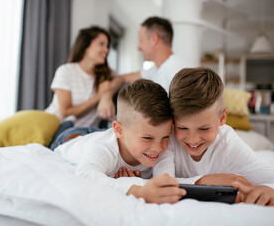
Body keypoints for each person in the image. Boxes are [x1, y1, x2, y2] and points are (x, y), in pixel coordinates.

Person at [167, 67, 274, 206]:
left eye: (204, 128)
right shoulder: (167, 137)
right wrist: (206, 180)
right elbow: (162, 182)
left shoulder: (228, 144)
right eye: (182, 128)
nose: (193, 139)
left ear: (222, 118)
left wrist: (270, 189)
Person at [55, 79, 186, 204]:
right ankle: (67, 122)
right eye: (147, 138)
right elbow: (85, 174)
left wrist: (202, 180)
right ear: (119, 130)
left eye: (166, 137)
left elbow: (167, 181)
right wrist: (138, 191)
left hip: (107, 134)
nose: (158, 148)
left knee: (101, 134)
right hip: (71, 139)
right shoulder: (103, 148)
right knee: (65, 130)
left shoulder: (162, 149)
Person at [97, 16, 194, 121]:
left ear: (154, 39)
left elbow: (186, 116)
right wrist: (106, 96)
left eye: (141, 40)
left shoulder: (177, 69)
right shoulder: (156, 69)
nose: (139, 47)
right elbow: (122, 78)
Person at [45, 26, 116, 128]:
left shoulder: (105, 75)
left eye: (107, 46)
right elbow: (65, 112)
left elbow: (123, 78)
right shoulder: (66, 71)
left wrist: (107, 96)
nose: (106, 50)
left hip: (84, 135)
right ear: (86, 46)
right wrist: (99, 96)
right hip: (57, 128)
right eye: (101, 44)